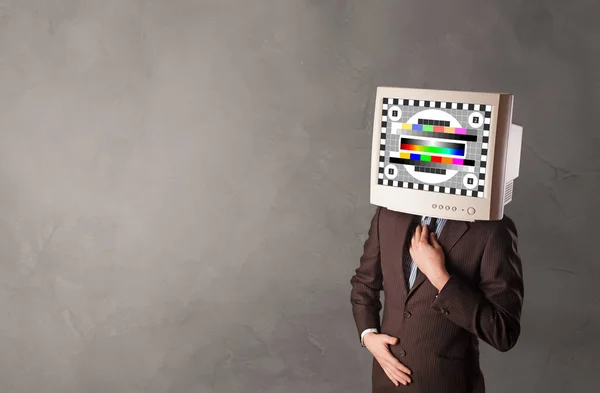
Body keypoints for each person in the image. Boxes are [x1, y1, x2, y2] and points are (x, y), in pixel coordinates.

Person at [350, 206, 524, 393]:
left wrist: (439, 276)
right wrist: (368, 336)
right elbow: (364, 282)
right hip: (387, 381)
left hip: (447, 383)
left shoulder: (493, 228)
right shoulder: (388, 213)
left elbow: (504, 333)